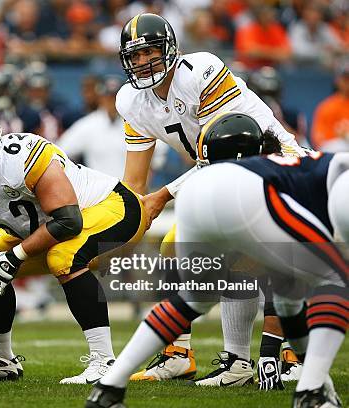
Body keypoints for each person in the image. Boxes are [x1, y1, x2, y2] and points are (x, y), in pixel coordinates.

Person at [86, 111, 348, 408]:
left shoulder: (303, 168)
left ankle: (108, 387)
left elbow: (288, 298)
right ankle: (310, 391)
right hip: (245, 193)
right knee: (333, 280)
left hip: (195, 192)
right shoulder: (327, 173)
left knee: (193, 300)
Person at [116, 12, 304, 385]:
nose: (142, 62)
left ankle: (263, 355)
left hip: (271, 165)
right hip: (221, 179)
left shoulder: (200, 71)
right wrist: (114, 223)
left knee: (242, 256)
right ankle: (181, 354)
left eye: (149, 51)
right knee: (179, 248)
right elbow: (134, 182)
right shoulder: (130, 101)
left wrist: (163, 196)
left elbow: (228, 148)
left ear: (170, 48)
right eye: (134, 56)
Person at [0, 98, 147, 384]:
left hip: (108, 207)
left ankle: (104, 361)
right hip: (44, 229)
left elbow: (67, 220)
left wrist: (16, 256)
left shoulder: (21, 157)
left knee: (64, 256)